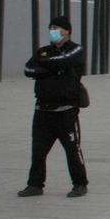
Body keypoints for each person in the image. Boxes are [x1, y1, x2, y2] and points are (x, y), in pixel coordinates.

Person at [19, 16, 89, 198]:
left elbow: (66, 61)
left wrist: (48, 67)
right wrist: (53, 69)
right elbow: (28, 69)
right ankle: (35, 184)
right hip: (42, 110)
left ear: (67, 31)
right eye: (51, 28)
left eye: (57, 28)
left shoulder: (77, 50)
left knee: (72, 149)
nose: (53, 31)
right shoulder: (43, 51)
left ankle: (80, 183)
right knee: (38, 151)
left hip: (66, 111)